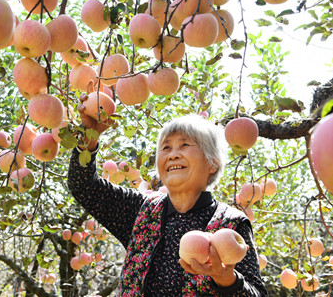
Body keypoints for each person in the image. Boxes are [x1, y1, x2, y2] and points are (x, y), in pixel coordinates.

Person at [67, 94, 268, 296]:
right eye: (165, 147)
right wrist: (87, 139)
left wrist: (227, 280)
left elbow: (257, 293)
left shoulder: (231, 224)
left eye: (185, 145)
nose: (173, 154)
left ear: (212, 163)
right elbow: (83, 187)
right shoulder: (141, 210)